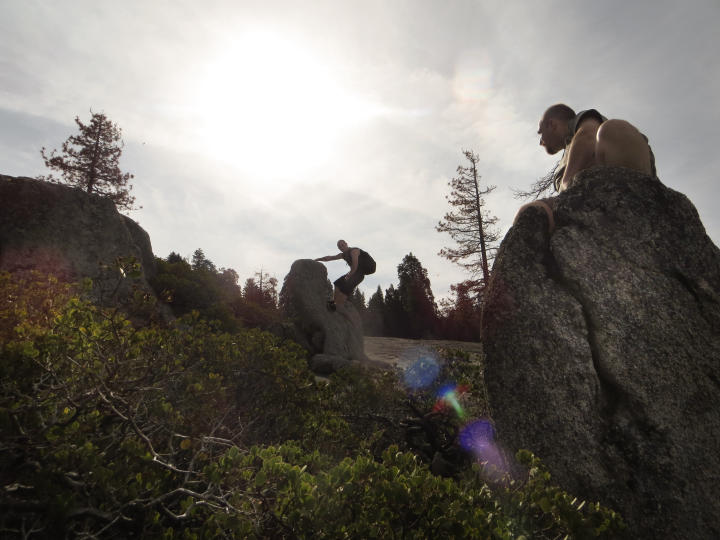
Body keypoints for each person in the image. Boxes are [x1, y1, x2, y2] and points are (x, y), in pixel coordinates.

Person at [516, 104, 656, 232]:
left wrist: (567, 183)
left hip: (625, 184)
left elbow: (588, 135)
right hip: (585, 206)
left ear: (552, 124)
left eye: (541, 132)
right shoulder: (563, 163)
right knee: (530, 212)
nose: (541, 142)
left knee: (614, 128)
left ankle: (639, 201)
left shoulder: (585, 122)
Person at [315, 239, 375, 311]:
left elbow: (355, 265)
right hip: (355, 272)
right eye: (339, 247)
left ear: (346, 244)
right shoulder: (343, 255)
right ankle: (333, 303)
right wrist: (318, 259)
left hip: (360, 273)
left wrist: (349, 275)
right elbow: (330, 258)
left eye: (342, 245)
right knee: (337, 284)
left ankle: (337, 307)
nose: (341, 247)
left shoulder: (354, 251)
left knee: (344, 290)